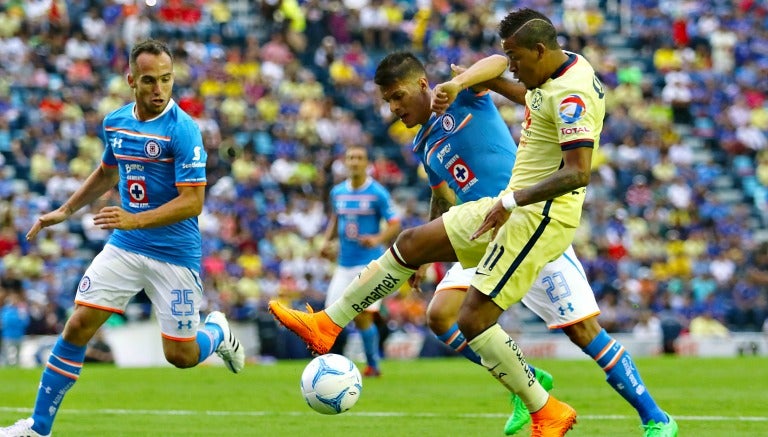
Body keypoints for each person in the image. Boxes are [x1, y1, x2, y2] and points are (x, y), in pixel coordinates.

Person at [271, 9, 677, 436]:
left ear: (423, 85)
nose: (393, 108)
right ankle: (530, 385)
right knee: (441, 315)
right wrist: (426, 259)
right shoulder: (424, 142)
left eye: (397, 97)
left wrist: (460, 81)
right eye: (387, 102)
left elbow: (500, 66)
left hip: (525, 220)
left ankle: (652, 416)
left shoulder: (466, 96)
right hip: (483, 226)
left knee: (582, 331)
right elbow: (440, 192)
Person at [0, 39, 245, 437]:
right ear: (131, 80)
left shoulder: (183, 130)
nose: (159, 89)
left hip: (174, 254)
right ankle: (37, 427)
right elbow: (107, 172)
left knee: (181, 356)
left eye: (166, 80)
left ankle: (216, 331)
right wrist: (66, 210)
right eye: (149, 81)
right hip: (127, 247)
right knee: (78, 325)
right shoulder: (116, 122)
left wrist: (134, 220)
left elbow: (193, 202)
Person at [319, 144, 401, 376]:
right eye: (350, 158)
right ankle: (332, 366)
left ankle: (373, 366)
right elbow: (336, 219)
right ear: (346, 162)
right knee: (331, 315)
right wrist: (326, 242)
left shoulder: (377, 193)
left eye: (359, 158)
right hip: (343, 264)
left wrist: (377, 238)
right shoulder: (337, 192)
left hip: (368, 264)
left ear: (367, 164)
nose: (354, 162)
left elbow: (395, 224)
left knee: (363, 315)